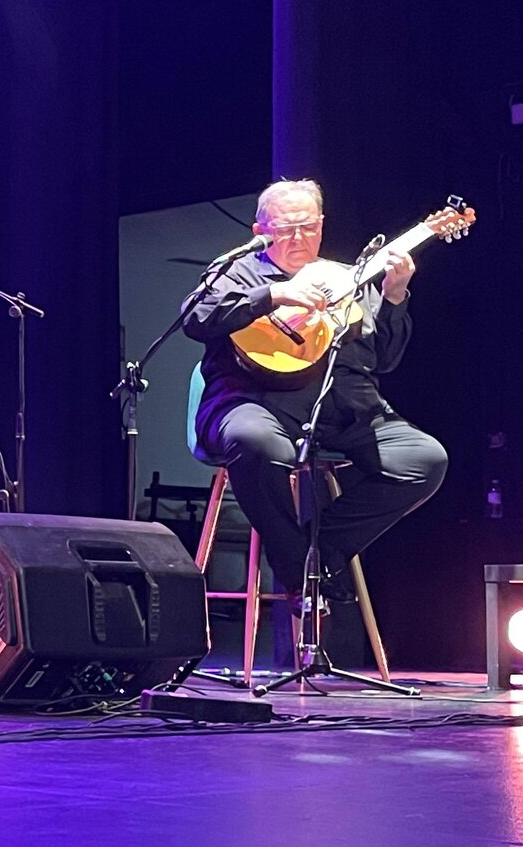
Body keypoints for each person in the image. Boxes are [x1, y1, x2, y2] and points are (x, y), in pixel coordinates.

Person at [182, 179, 447, 602]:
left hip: (344, 409)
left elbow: (383, 358)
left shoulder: (345, 278)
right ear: (261, 232)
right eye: (287, 229)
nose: (300, 238)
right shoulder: (238, 272)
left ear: (322, 225)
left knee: (424, 460)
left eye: (309, 227)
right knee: (257, 442)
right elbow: (196, 317)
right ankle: (299, 567)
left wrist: (394, 297)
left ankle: (314, 555)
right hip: (255, 401)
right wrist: (272, 294)